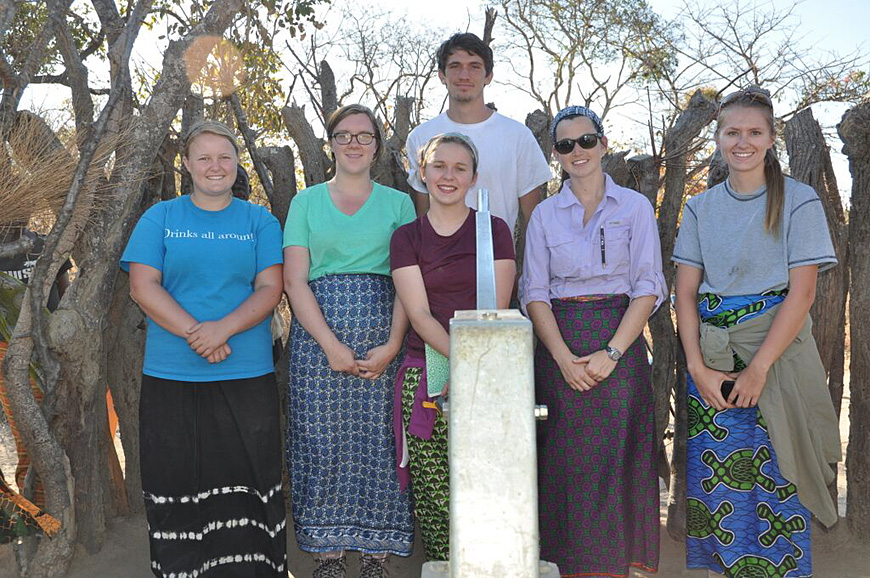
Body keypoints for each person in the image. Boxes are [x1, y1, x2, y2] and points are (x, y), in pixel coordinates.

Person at [672, 86, 841, 578]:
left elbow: (802, 294)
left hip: (777, 352)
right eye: (732, 132)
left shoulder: (799, 201)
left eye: (753, 132)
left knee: (781, 469)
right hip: (714, 356)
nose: (741, 142)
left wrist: (759, 369)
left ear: (771, 138)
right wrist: (697, 368)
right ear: (719, 138)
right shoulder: (701, 208)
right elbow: (685, 294)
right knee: (722, 482)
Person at [121, 120, 287, 578]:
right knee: (176, 477)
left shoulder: (260, 221)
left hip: (246, 371)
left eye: (225, 157)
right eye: (205, 157)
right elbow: (142, 286)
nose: (216, 166)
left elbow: (270, 287)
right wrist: (200, 332)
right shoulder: (162, 218)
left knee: (248, 475)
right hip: (172, 373)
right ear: (188, 164)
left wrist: (223, 331)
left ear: (237, 165)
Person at [520, 106, 665, 577]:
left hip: (618, 341)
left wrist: (613, 353)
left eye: (586, 141)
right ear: (556, 155)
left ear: (603, 144)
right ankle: (567, 565)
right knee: (564, 463)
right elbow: (534, 293)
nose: (577, 152)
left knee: (619, 457)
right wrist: (562, 358)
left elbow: (648, 286)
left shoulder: (636, 208)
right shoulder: (543, 215)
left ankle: (617, 566)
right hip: (559, 345)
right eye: (565, 145)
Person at [283, 104, 416, 578]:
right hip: (318, 339)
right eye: (345, 135)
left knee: (381, 440)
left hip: (383, 332)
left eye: (365, 136)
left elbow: (407, 281)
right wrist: (329, 345)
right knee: (321, 440)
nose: (355, 143)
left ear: (377, 147)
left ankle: (377, 555)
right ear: (331, 143)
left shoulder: (398, 204)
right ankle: (328, 554)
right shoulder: (306, 203)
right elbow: (295, 281)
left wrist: (394, 343)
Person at [391, 133, 516, 561]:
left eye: (460, 168)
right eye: (439, 166)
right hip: (426, 371)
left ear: (474, 177)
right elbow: (420, 315)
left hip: (487, 367)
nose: (448, 176)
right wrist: (458, 367)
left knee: (488, 484)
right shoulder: (407, 237)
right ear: (421, 172)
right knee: (437, 494)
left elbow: (496, 310)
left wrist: (473, 370)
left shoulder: (493, 230)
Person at [405, 33, 551, 239]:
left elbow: (533, 219)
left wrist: (525, 271)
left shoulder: (518, 136)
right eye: (455, 66)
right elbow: (422, 214)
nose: (464, 75)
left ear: (488, 76)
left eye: (474, 66)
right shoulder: (421, 137)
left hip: (498, 264)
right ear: (441, 75)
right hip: (435, 267)